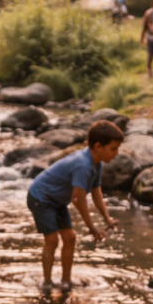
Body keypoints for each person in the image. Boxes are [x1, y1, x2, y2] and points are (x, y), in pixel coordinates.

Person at [27, 121, 123, 289]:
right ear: (99, 146)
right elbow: (78, 199)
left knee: (70, 238)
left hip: (56, 200)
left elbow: (96, 193)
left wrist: (107, 219)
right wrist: (92, 228)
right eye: (113, 148)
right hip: (41, 197)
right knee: (52, 239)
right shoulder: (83, 165)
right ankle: (47, 284)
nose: (116, 153)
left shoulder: (96, 163)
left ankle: (66, 282)